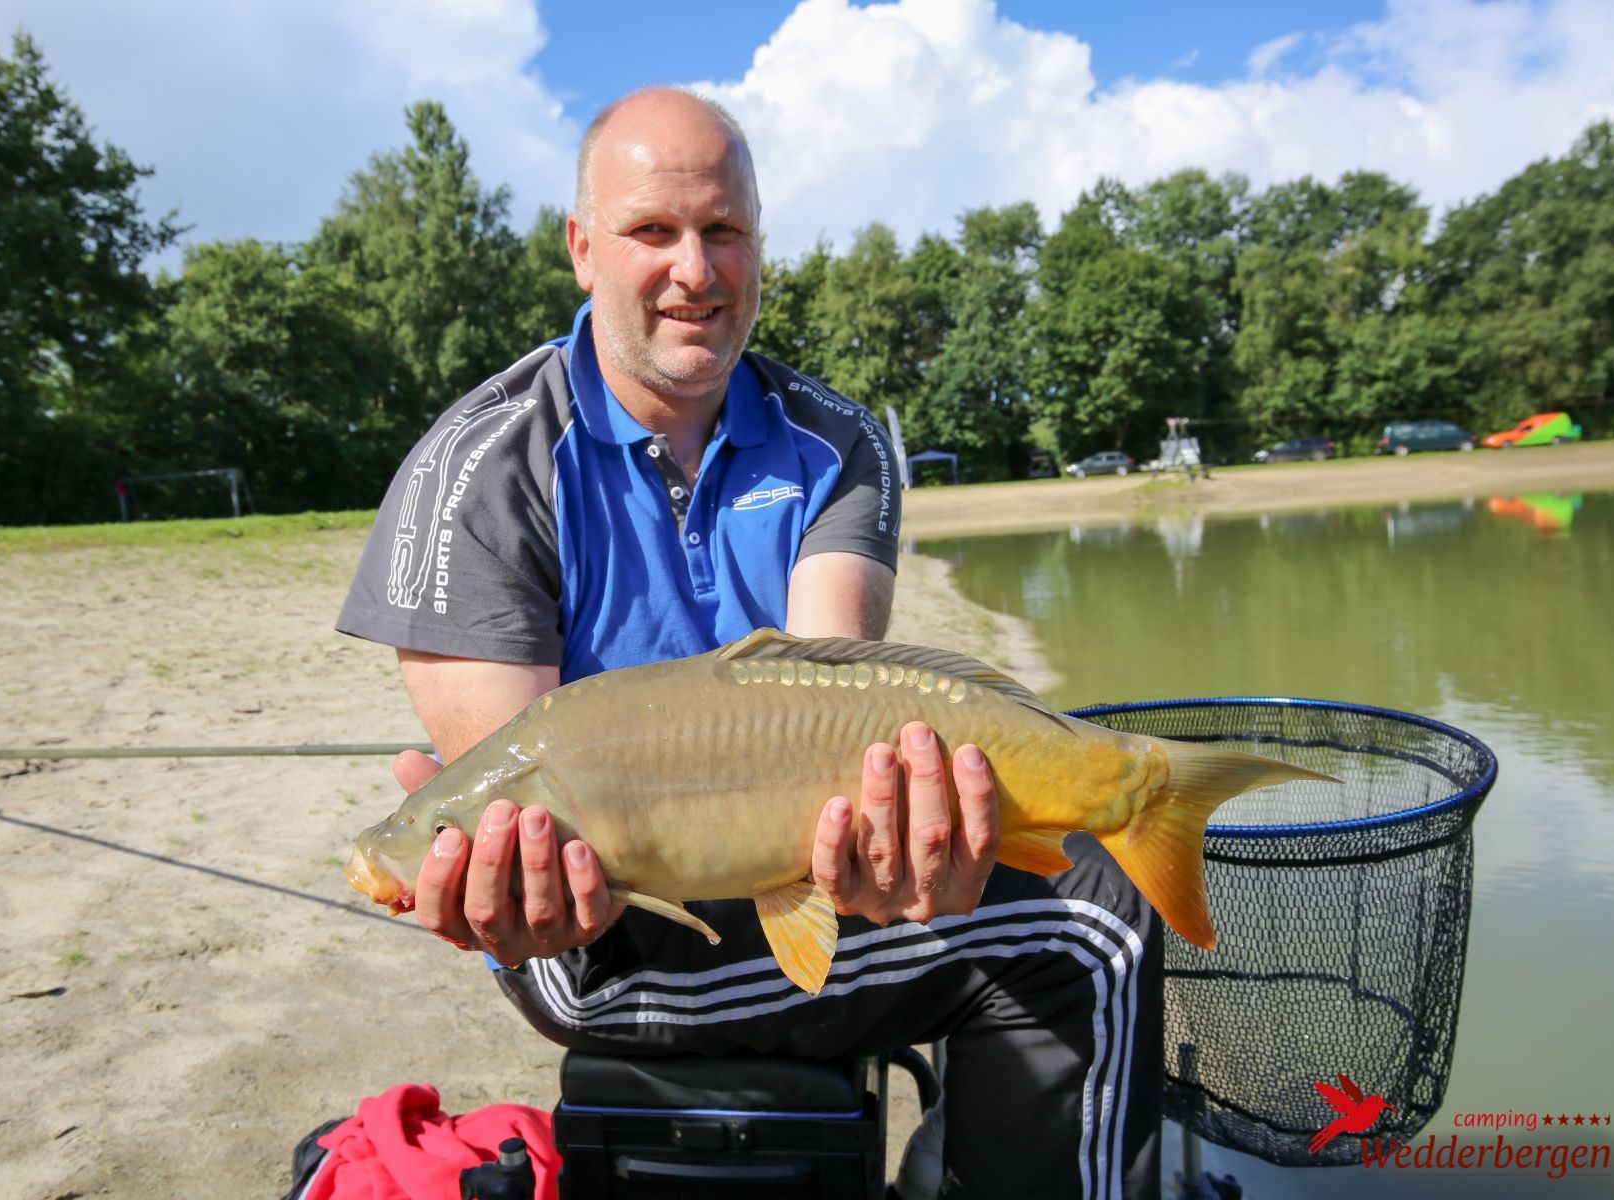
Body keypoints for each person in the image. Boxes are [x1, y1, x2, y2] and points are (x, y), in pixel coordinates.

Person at [338, 86, 1162, 1200]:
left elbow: (833, 692)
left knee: (1051, 868)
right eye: (652, 231)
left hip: (788, 863)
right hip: (601, 936)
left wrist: (888, 835)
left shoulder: (838, 437)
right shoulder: (475, 471)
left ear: (758, 247)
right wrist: (494, 886)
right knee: (1094, 933)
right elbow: (526, 835)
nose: (695, 269)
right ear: (582, 249)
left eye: (723, 231)